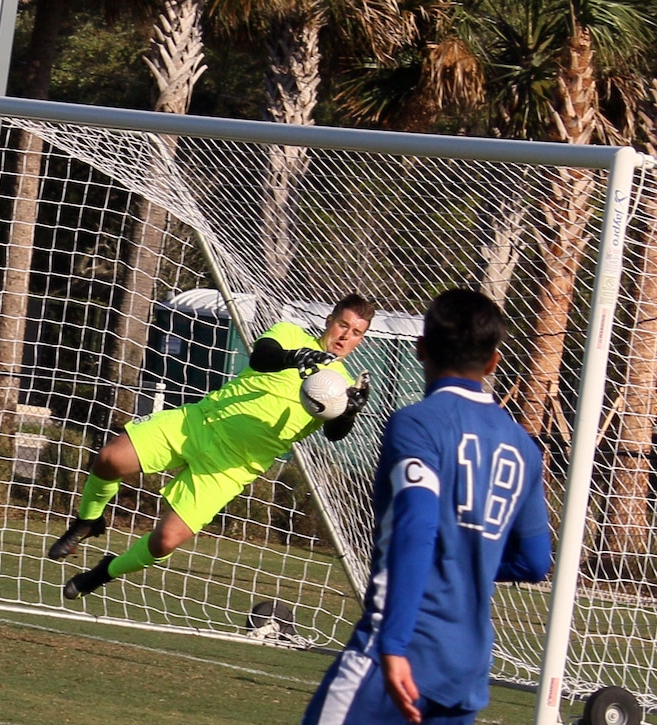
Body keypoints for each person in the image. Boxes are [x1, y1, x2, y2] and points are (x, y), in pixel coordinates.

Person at [300, 289, 552, 725]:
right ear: (492, 362)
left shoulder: (416, 424)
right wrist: (466, 558)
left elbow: (417, 527)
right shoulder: (523, 449)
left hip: (406, 646)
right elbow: (534, 562)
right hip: (466, 666)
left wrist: (393, 645)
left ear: (421, 349)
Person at [48, 294, 377, 600]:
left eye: (357, 332)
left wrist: (349, 411)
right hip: (201, 422)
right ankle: (87, 520)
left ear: (362, 339)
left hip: (232, 467)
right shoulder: (290, 334)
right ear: (329, 320)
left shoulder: (343, 385)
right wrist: (295, 358)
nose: (346, 336)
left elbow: (335, 433)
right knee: (110, 459)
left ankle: (105, 572)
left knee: (164, 542)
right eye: (342, 325)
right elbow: (263, 357)